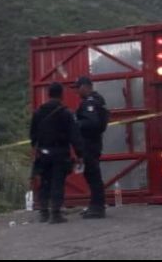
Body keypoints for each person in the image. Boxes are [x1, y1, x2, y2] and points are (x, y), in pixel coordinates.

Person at [30, 82, 84, 224]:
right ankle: (55, 213)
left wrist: (36, 150)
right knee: (57, 182)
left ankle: (43, 212)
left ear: (48, 94)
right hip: (60, 152)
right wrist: (80, 154)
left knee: (44, 181)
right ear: (61, 95)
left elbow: (33, 135)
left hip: (43, 152)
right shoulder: (66, 113)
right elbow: (74, 136)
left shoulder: (38, 112)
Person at [73, 76, 110, 219]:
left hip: (90, 144)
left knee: (93, 175)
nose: (76, 91)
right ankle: (95, 205)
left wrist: (76, 123)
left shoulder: (91, 102)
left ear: (85, 86)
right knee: (91, 175)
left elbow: (92, 123)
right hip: (91, 143)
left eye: (78, 88)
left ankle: (97, 207)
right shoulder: (95, 100)